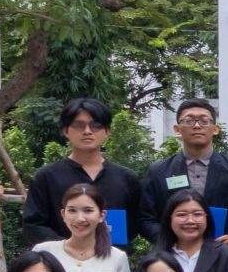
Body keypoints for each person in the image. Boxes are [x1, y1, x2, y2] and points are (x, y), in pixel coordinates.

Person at [22, 95, 146, 249]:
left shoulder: (127, 179)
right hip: (59, 261)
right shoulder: (46, 177)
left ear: (107, 131)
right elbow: (33, 225)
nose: (87, 131)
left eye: (96, 125)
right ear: (66, 130)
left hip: (112, 259)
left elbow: (136, 223)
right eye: (79, 125)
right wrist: (69, 250)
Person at [142, 96, 228, 250]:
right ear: (177, 129)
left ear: (215, 129)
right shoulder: (158, 171)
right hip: (172, 257)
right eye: (189, 121)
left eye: (204, 120)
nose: (197, 126)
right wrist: (167, 241)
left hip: (223, 254)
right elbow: (145, 217)